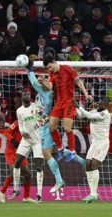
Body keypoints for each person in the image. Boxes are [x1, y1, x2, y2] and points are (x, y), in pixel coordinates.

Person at [42, 56, 93, 162]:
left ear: (54, 61)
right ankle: (60, 148)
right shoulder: (51, 73)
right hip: (59, 102)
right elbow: (50, 87)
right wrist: (42, 81)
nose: (50, 70)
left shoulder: (68, 69)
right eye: (48, 68)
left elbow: (79, 82)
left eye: (51, 67)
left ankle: (72, 151)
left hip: (69, 102)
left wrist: (86, 94)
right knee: (51, 126)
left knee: (67, 128)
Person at [26, 58, 65, 193]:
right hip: (45, 124)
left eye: (44, 80)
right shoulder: (48, 93)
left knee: (46, 153)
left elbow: (33, 81)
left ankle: (59, 180)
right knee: (54, 150)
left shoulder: (46, 92)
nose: (41, 81)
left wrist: (29, 69)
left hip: (45, 125)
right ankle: (78, 160)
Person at [72, 98, 111, 203]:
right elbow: (81, 115)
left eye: (102, 104)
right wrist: (73, 107)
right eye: (99, 103)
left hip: (102, 143)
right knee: (88, 164)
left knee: (94, 165)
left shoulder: (105, 114)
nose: (100, 105)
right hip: (94, 143)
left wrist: (78, 106)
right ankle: (92, 193)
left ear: (106, 106)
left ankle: (94, 193)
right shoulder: (95, 111)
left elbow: (89, 116)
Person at [9, 89, 44, 202]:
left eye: (28, 94)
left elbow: (44, 119)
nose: (27, 95)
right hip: (26, 140)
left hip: (37, 141)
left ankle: (39, 194)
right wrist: (22, 132)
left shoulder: (35, 106)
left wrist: (38, 123)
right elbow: (20, 123)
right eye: (24, 94)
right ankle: (16, 189)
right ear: (21, 97)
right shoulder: (19, 111)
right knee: (17, 162)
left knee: (38, 166)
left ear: (30, 96)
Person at [0, 120, 35, 203]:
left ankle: (26, 197)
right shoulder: (18, 122)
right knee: (15, 171)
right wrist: (13, 140)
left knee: (28, 174)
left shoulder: (32, 124)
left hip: (21, 152)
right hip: (11, 151)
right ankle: (2, 192)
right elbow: (6, 132)